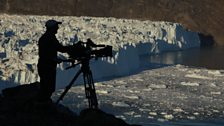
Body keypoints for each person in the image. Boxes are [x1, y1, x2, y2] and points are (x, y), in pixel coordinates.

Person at [37, 19, 69, 102]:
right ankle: (44, 107)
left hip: (45, 65)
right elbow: (60, 49)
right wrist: (72, 48)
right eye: (56, 27)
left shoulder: (47, 37)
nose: (57, 28)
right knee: (47, 88)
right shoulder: (49, 38)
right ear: (52, 28)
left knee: (46, 88)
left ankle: (43, 105)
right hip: (47, 67)